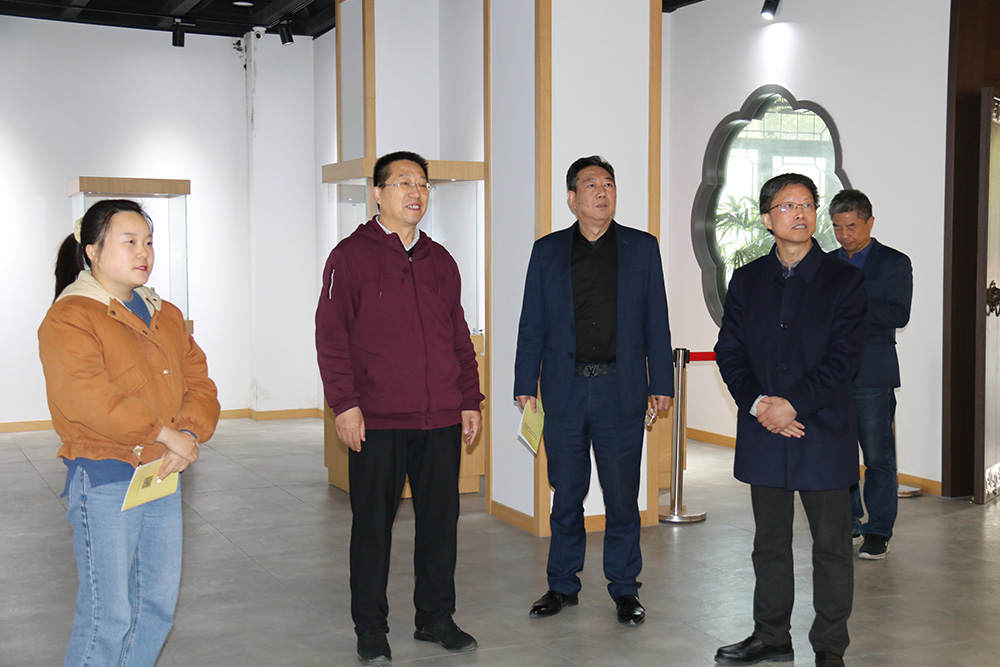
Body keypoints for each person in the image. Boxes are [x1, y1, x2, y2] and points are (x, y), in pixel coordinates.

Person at [315, 151, 484, 664]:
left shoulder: (441, 260)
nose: (416, 192)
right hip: (378, 420)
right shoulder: (350, 257)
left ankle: (435, 617)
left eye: (423, 184)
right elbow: (331, 337)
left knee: (440, 523)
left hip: (439, 418)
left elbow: (458, 336)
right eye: (404, 182)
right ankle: (370, 627)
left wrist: (470, 398)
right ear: (377, 193)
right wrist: (345, 405)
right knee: (372, 527)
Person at [38, 199, 220, 666]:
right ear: (93, 251)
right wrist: (164, 432)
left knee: (155, 607)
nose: (144, 252)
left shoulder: (165, 314)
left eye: (149, 242)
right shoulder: (71, 316)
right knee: (109, 615)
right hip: (105, 477)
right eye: (130, 241)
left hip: (161, 474)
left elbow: (198, 382)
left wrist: (189, 434)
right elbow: (87, 398)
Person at [713, 174, 867, 667]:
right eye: (787, 206)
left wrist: (792, 405)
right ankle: (771, 636)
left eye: (807, 204)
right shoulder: (747, 280)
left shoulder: (844, 280)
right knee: (770, 543)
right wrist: (760, 404)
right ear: (766, 218)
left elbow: (844, 360)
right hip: (765, 431)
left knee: (832, 547)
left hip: (822, 431)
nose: (799, 213)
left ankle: (830, 647)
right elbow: (729, 352)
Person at [514, 155, 673, 627]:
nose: (602, 192)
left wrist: (661, 382)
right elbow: (531, 322)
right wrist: (525, 383)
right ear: (572, 198)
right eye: (591, 185)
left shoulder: (642, 248)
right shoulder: (547, 251)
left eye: (608, 184)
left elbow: (657, 319)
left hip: (619, 389)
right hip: (563, 390)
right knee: (566, 492)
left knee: (622, 496)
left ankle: (625, 588)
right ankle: (562, 584)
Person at [830, 189, 912, 561]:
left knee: (878, 456)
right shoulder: (825, 262)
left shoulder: (894, 262)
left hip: (873, 372)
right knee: (838, 452)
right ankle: (847, 522)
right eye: (837, 227)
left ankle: (878, 530)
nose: (844, 235)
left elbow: (898, 314)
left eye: (851, 226)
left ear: (870, 222)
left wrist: (851, 303)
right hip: (829, 374)